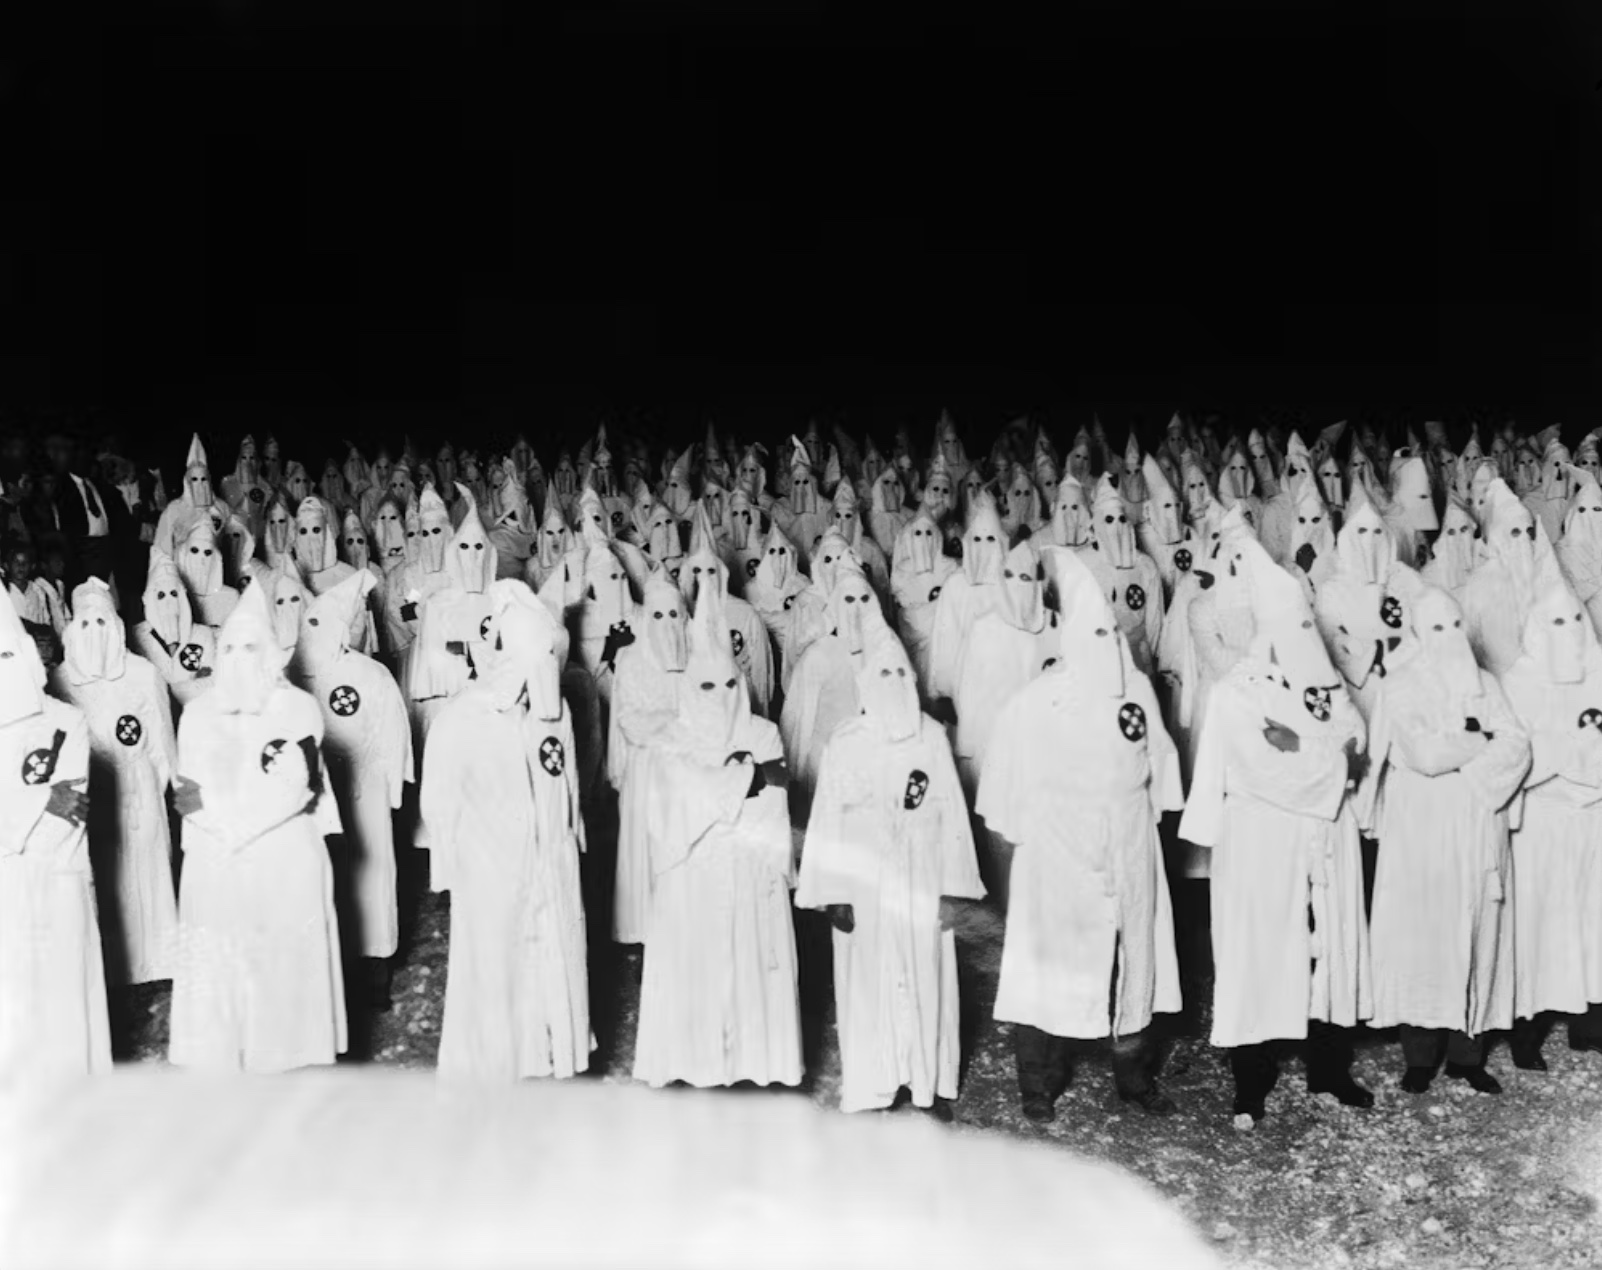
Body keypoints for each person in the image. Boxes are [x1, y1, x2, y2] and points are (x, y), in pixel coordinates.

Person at [978, 546, 1182, 1124]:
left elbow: (1161, 768)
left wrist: (1145, 825)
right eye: (1093, 633)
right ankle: (1037, 1084)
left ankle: (1135, 1078)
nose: (1106, 646)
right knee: (1050, 968)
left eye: (1110, 632)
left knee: (1132, 965)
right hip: (1058, 858)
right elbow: (1003, 793)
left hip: (1128, 847)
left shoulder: (1136, 693)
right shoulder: (1034, 703)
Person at [1178, 539, 1373, 1122]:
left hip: (1325, 842)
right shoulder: (1238, 693)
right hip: (1263, 846)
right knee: (1262, 956)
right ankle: (1251, 1083)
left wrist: (1309, 750)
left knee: (1327, 954)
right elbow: (1264, 771)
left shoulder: (1323, 680)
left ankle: (1330, 1071)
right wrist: (1329, 761)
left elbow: (1356, 741)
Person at [798, 626, 984, 1116]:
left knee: (928, 981)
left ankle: (926, 1083)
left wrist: (953, 891)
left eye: (903, 671)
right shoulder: (847, 741)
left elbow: (954, 820)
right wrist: (832, 892)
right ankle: (875, 1085)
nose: (895, 680)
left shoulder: (932, 738)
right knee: (868, 984)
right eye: (885, 672)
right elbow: (827, 822)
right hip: (864, 888)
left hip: (922, 880)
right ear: (866, 681)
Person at [168, 579, 348, 1073]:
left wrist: (237, 826)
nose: (239, 658)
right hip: (216, 856)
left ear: (270, 651)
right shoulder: (198, 714)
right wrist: (218, 829)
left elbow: (297, 785)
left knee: (282, 966)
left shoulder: (298, 708)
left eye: (251, 647)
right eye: (228, 648)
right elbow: (187, 790)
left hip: (284, 852)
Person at [420, 581, 592, 1081]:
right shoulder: (462, 716)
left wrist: (569, 835)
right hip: (491, 866)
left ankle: (553, 1051)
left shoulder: (554, 716)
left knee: (552, 957)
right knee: (497, 962)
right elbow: (440, 799)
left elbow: (568, 784)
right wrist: (453, 864)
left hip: (551, 862)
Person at [1364, 587, 1531, 1094]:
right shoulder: (1401, 687)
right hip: (1423, 833)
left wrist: (1468, 756)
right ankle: (1420, 1055)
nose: (1451, 637)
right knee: (1425, 937)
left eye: (1456, 625)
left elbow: (1519, 745)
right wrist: (1479, 740)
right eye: (1438, 628)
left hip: (1478, 822)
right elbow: (1423, 755)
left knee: (1477, 931)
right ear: (1417, 634)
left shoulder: (1484, 682)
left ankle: (1468, 1052)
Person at [631, 635, 801, 1090]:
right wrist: (752, 777)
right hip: (694, 874)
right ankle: (694, 1065)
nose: (721, 697)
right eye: (707, 686)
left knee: (747, 969)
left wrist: (728, 794)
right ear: (688, 688)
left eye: (730, 684)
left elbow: (773, 802)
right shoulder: (670, 739)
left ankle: (753, 1066)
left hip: (749, 869)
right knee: (699, 970)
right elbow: (679, 798)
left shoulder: (761, 732)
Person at [0, 583, 109, 1079]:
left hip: (58, 876)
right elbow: (54, 798)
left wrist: (26, 813)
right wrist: (41, 796)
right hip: (8, 893)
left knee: (66, 997)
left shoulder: (67, 719)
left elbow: (72, 808)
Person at [47, 579, 178, 987]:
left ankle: (159, 965)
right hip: (93, 792)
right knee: (107, 878)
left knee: (149, 875)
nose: (95, 633)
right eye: (84, 624)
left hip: (140, 787)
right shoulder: (60, 680)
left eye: (103, 622)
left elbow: (162, 741)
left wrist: (160, 790)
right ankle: (113, 971)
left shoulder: (143, 673)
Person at [295, 570, 414, 1010]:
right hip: (314, 800)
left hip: (366, 793)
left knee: (372, 881)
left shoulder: (370, 674)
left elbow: (393, 734)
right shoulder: (291, 675)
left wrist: (393, 790)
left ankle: (376, 975)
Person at [1499, 580, 1602, 1066]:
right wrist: (1566, 753)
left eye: (1575, 621)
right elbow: (1515, 751)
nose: (1568, 633)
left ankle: (1591, 1024)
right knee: (1539, 924)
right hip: (1540, 822)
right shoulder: (1519, 681)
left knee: (1593, 920)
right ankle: (1527, 1032)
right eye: (1556, 623)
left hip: (1593, 814)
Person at [608, 571, 689, 945]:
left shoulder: (699, 658)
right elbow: (631, 723)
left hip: (690, 775)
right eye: (657, 616)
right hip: (647, 774)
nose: (667, 625)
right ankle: (645, 935)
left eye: (674, 615)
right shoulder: (632, 661)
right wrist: (681, 726)